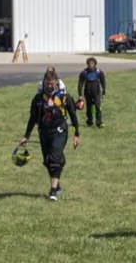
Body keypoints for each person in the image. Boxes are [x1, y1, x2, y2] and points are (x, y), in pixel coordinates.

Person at [21, 72, 74, 202]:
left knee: (54, 158)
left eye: (52, 83)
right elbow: (32, 118)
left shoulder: (63, 97)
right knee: (48, 161)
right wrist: (26, 136)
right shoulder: (38, 99)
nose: (50, 86)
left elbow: (73, 114)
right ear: (44, 83)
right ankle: (58, 182)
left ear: (56, 83)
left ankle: (53, 190)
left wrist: (77, 133)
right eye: (47, 83)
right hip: (44, 131)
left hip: (60, 129)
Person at [77, 55, 107, 128]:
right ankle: (89, 121)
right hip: (87, 92)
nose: (91, 65)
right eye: (89, 63)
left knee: (98, 106)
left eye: (92, 63)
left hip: (96, 92)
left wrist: (104, 91)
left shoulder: (99, 72)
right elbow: (80, 84)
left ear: (95, 64)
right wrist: (80, 94)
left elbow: (103, 81)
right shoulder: (84, 73)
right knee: (89, 107)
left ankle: (99, 122)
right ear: (87, 64)